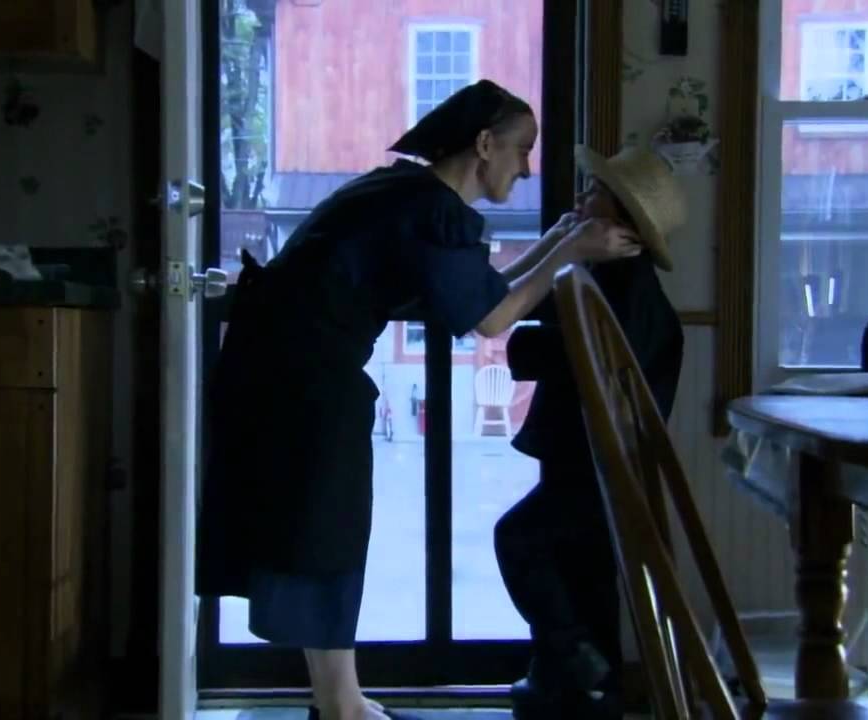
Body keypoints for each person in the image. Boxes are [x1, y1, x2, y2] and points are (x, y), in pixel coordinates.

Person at [195, 80, 643, 720]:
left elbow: (483, 293)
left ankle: (339, 701)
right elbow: (492, 319)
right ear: (483, 145)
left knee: (320, 529)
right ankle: (343, 706)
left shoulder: (407, 194)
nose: (527, 168)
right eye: (522, 149)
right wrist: (571, 249)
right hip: (301, 376)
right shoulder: (430, 210)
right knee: (325, 531)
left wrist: (558, 239)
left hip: (281, 367)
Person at [494, 143, 687, 720]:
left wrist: (530, 334)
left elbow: (544, 349)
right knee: (582, 572)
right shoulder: (611, 279)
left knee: (522, 542)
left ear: (622, 218)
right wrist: (562, 242)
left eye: (595, 192)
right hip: (597, 468)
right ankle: (575, 681)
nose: (581, 197)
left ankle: (580, 667)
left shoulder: (616, 291)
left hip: (601, 471)